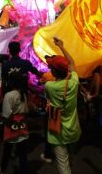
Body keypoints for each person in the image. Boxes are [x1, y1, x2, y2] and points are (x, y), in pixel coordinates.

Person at [44, 37, 81, 174]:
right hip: (72, 130)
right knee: (69, 157)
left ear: (53, 72)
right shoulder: (74, 82)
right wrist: (62, 47)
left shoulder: (49, 86)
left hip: (57, 132)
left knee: (63, 163)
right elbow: (71, 63)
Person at [0, 70, 29, 174]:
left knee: (7, 150)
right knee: (22, 153)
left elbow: (6, 114)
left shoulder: (9, 95)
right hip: (22, 126)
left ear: (10, 82)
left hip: (11, 126)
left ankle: (2, 170)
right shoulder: (23, 94)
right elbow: (26, 111)